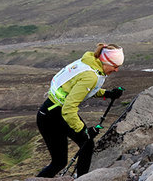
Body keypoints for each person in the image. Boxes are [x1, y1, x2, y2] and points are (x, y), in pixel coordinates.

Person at [35, 43, 125, 177]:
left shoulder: (90, 63)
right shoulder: (91, 75)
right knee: (66, 157)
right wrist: (83, 130)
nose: (116, 70)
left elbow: (82, 89)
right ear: (106, 62)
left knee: (67, 157)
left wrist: (107, 93)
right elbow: (69, 108)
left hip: (50, 112)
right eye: (115, 66)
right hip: (53, 117)